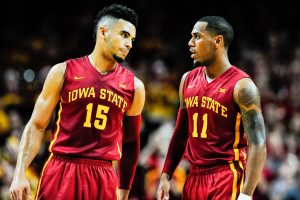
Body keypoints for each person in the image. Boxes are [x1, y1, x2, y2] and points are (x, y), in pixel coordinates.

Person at [10, 3, 145, 200]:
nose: (129, 44)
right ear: (103, 32)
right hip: (62, 169)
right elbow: (37, 126)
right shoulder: (63, 71)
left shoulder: (135, 87)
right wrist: (19, 172)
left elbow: (131, 143)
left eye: (132, 39)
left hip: (103, 175)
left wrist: (123, 191)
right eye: (124, 35)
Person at [156, 16, 267, 200]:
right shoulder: (187, 80)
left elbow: (258, 144)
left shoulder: (243, 87)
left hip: (225, 176)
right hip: (194, 177)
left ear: (218, 41)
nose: (190, 43)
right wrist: (166, 175)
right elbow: (181, 133)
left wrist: (246, 195)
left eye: (197, 37)